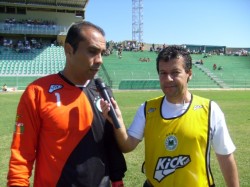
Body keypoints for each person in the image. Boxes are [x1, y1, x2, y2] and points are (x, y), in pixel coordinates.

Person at [7, 21, 126, 187]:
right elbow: (21, 153)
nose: (100, 60)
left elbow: (110, 145)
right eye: (92, 51)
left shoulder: (103, 92)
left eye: (102, 53)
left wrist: (118, 182)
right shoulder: (37, 92)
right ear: (69, 50)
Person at [101, 46, 239, 187]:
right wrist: (117, 121)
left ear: (189, 73)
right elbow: (127, 145)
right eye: (163, 73)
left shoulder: (210, 110)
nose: (168, 79)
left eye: (175, 72)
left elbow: (225, 156)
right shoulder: (147, 109)